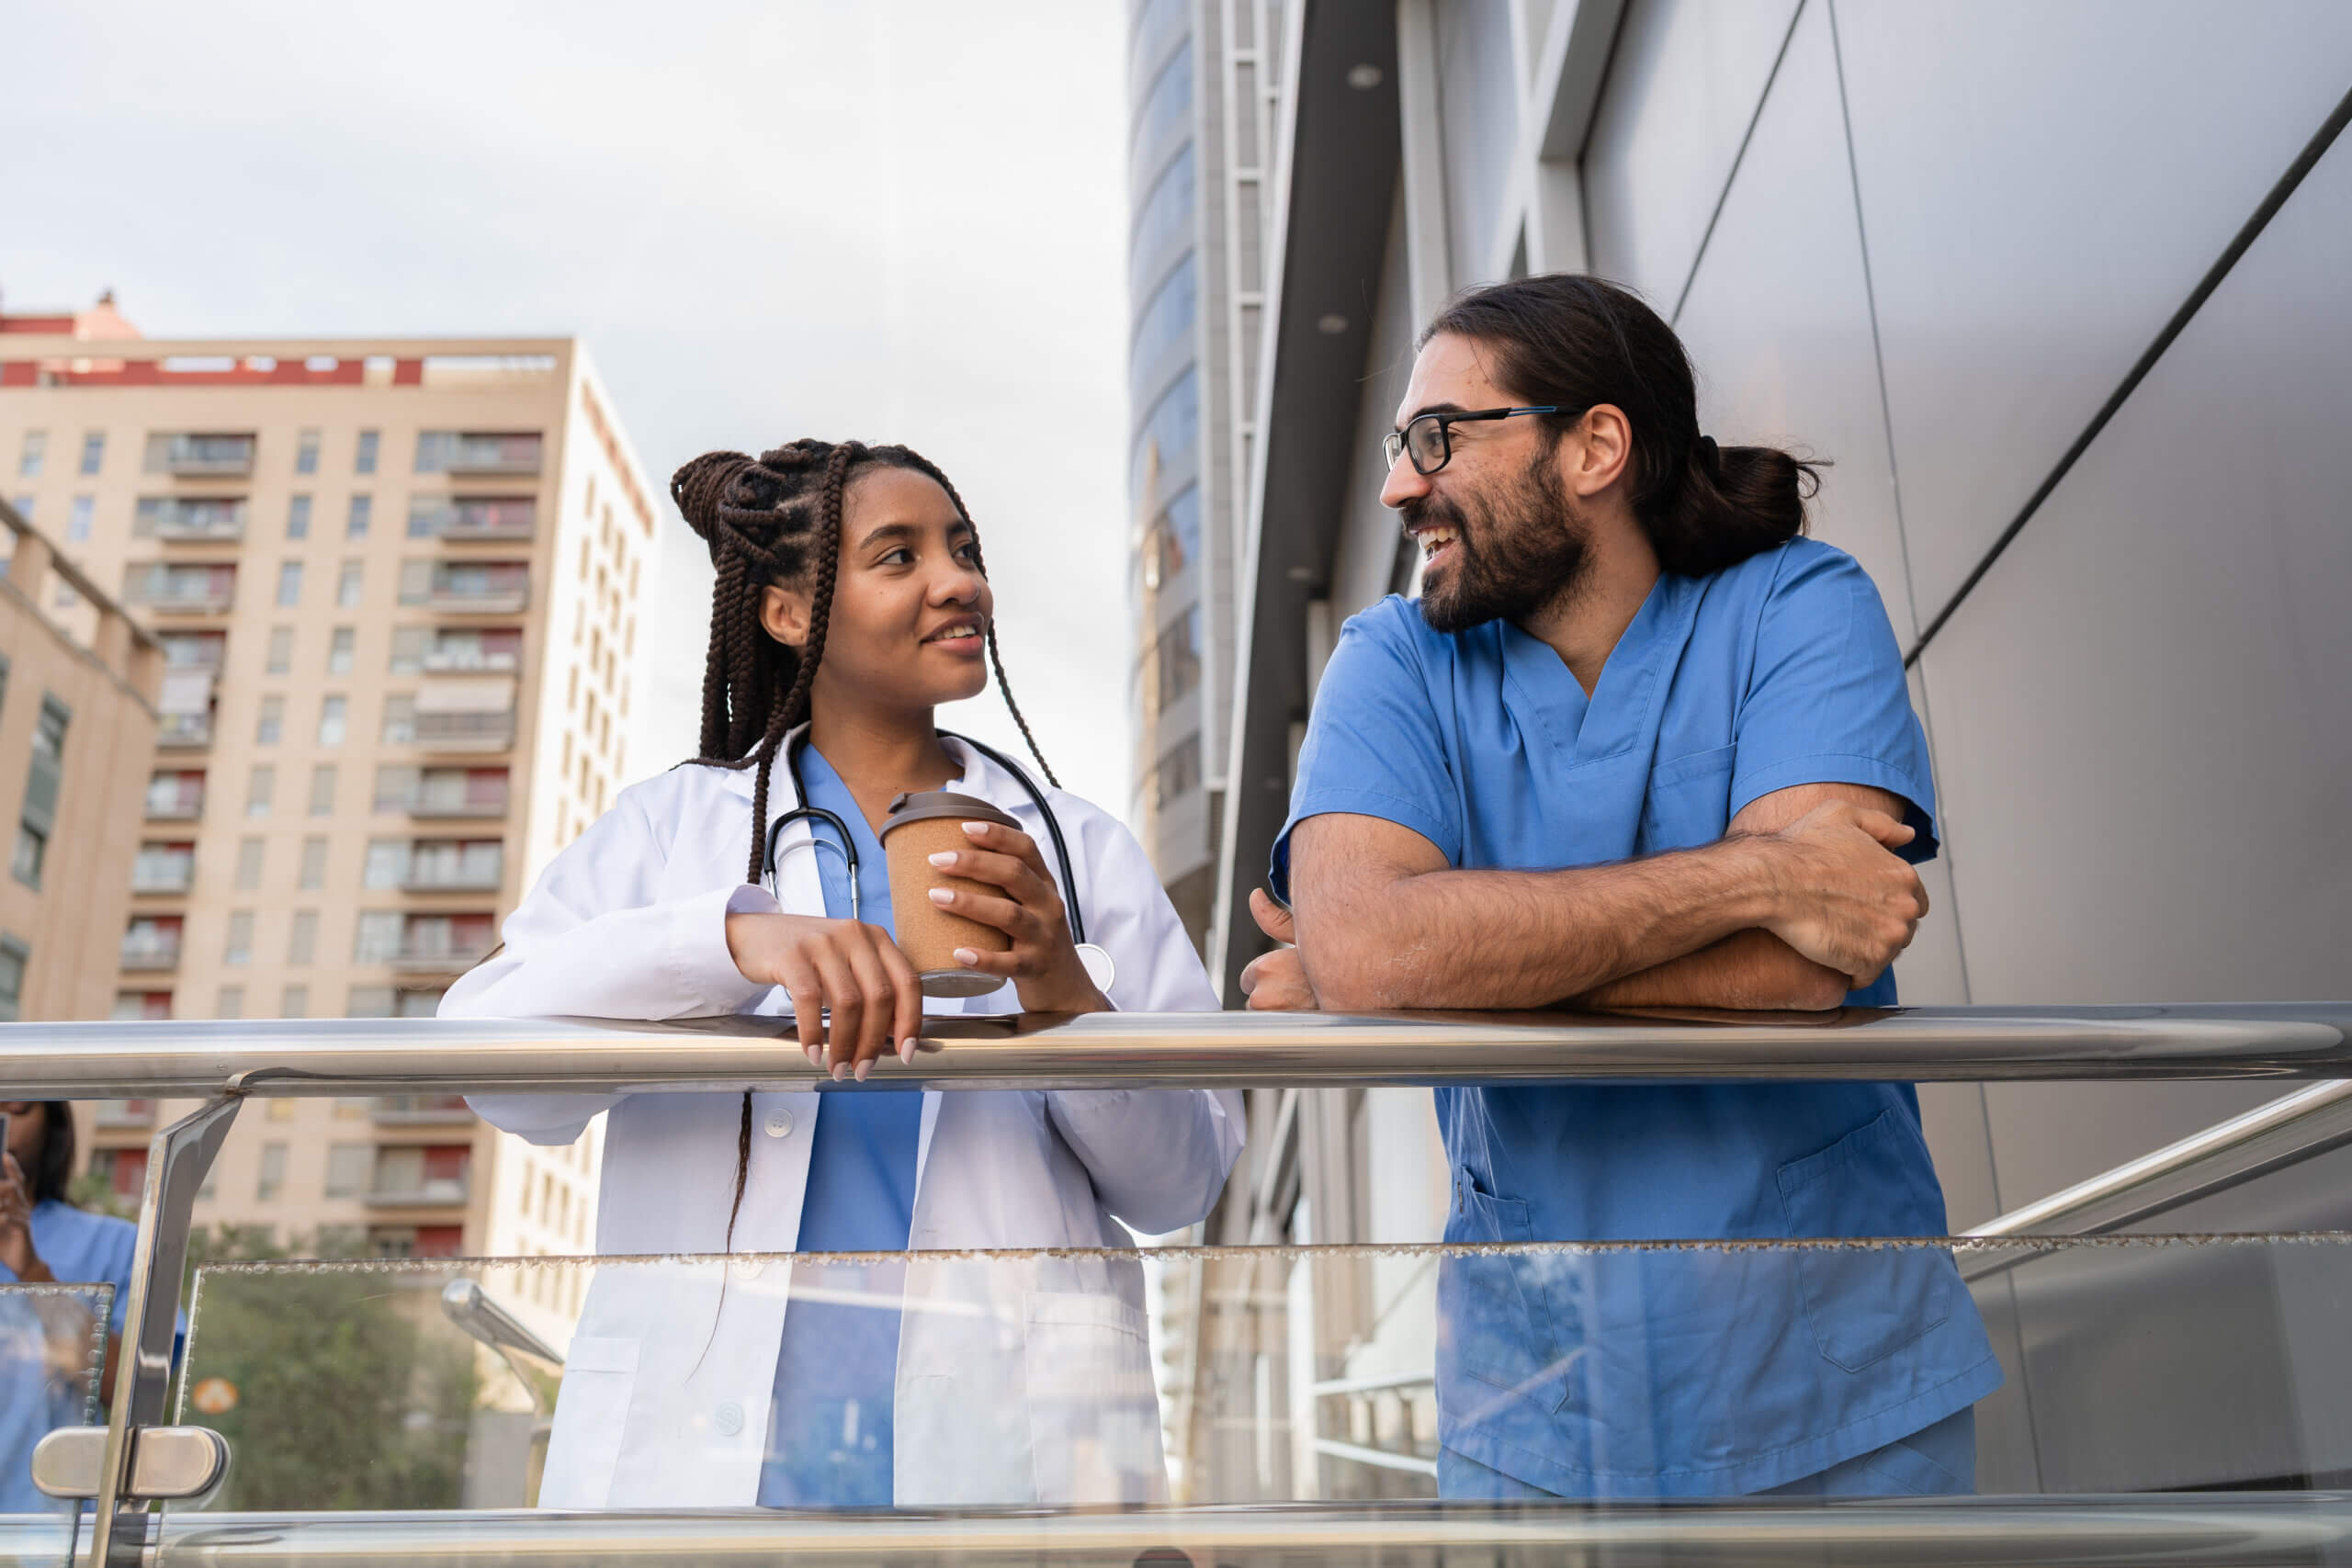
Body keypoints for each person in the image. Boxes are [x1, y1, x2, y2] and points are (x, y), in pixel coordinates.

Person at [1240, 275, 1999, 1499]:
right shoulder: (1392, 660)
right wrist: (1755, 872)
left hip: (1836, 1389)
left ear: (1595, 444)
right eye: (1398, 446)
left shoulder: (1799, 605)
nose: (1398, 487)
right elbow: (1382, 951)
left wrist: (1424, 968)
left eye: (1439, 437)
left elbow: (1806, 963)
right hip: (1535, 1410)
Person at [443, 439, 1241, 1510]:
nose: (959, 580)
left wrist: (1062, 992)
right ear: (784, 613)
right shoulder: (676, 833)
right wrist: (730, 943)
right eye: (898, 556)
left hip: (1001, 1465)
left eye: (961, 548)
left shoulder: (1075, 850)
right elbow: (493, 1065)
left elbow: (1180, 1187)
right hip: (711, 1475)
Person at [0, 1102, 140, 1514]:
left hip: (45, 1538)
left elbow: (135, 1393)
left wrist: (31, 1270)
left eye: (15, 1104)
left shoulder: (115, 1244)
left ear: (53, 1122)